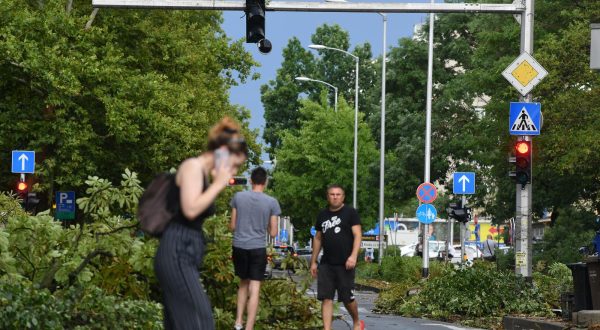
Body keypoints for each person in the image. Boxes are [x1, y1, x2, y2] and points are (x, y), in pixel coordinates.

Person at [154, 117, 248, 330]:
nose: (233, 172)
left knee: (179, 323)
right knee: (200, 321)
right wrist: (217, 185)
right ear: (222, 152)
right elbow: (190, 208)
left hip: (184, 253)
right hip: (177, 251)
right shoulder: (192, 167)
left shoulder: (202, 174)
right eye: (234, 165)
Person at [229, 167, 281, 330]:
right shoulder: (272, 202)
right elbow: (273, 232)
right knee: (255, 286)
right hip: (257, 247)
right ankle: (249, 327)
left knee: (243, 283)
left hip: (239, 246)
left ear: (251, 180)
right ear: (265, 182)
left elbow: (232, 226)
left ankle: (238, 321)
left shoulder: (238, 197)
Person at [310, 184, 362, 330]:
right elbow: (318, 238)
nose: (335, 197)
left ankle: (356, 321)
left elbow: (358, 235)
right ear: (328, 197)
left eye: (338, 194)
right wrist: (313, 261)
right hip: (327, 263)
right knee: (326, 298)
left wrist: (353, 256)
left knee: (347, 298)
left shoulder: (350, 212)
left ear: (343, 197)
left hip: (346, 263)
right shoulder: (322, 215)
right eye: (332, 194)